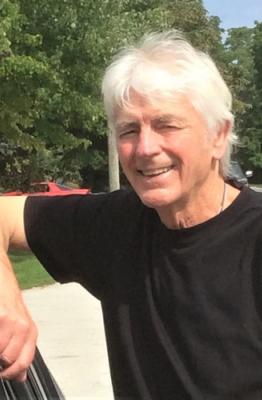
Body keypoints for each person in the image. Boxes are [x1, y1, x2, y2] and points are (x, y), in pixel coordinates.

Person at [1, 30, 262, 399]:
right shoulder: (116, 224)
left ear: (219, 135)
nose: (144, 148)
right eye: (128, 129)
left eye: (166, 125)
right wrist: (4, 293)